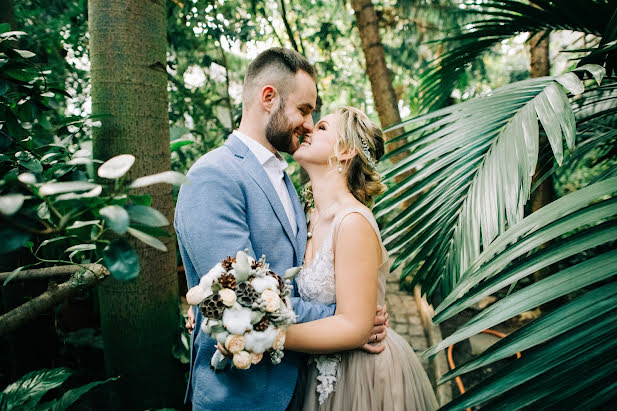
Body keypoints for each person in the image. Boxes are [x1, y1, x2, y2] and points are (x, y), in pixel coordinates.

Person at [174, 48, 388, 411]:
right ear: (269, 98)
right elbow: (237, 300)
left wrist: (356, 313)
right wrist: (349, 320)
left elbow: (287, 281)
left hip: (299, 387)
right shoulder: (214, 176)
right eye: (304, 111)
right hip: (241, 396)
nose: (308, 124)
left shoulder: (289, 185)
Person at [285, 106, 439, 410]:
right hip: (311, 372)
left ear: (345, 152)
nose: (309, 128)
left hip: (362, 377)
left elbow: (355, 327)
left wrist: (271, 336)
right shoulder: (305, 214)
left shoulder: (354, 222)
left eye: (323, 127)